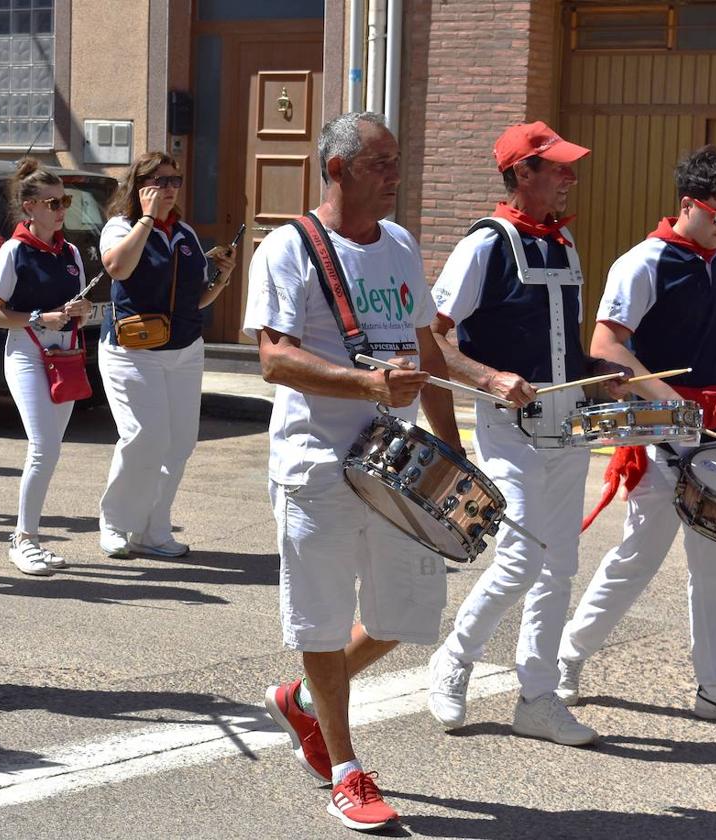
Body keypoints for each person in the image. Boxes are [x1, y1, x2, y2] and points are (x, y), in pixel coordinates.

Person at [246, 112, 462, 831]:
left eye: (396, 161)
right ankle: (345, 768)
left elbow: (429, 356)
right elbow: (275, 359)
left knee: (407, 614)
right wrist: (369, 385)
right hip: (315, 461)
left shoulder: (398, 244)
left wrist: (449, 448)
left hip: (394, 463)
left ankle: (305, 699)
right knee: (323, 616)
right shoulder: (289, 248)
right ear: (336, 170)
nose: (395, 176)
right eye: (380, 164)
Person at [556, 146, 716, 726]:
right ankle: (566, 659)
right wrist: (674, 405)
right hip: (661, 432)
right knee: (637, 557)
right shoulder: (644, 262)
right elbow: (607, 346)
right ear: (688, 205)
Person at [425, 121, 626, 746]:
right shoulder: (485, 244)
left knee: (559, 564)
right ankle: (453, 659)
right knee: (519, 558)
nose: (570, 177)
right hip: (508, 426)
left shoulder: (565, 242)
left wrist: (599, 375)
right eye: (558, 168)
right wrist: (488, 379)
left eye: (569, 167)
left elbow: (560, 346)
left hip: (566, 420)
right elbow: (430, 336)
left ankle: (536, 697)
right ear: (522, 175)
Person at [95, 152, 236, 559]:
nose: (171, 189)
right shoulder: (120, 227)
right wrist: (147, 219)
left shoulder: (186, 234)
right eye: (162, 181)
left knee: (179, 443)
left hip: (184, 350)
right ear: (141, 186)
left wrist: (222, 277)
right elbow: (117, 268)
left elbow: (197, 299)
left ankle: (153, 529)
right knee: (143, 437)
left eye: (176, 181)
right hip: (133, 350)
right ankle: (116, 523)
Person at [0, 159, 88, 575]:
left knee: (51, 450)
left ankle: (31, 537)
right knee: (43, 447)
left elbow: (75, 307)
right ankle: (23, 540)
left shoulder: (72, 251)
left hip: (64, 358)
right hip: (26, 355)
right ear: (29, 207)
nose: (62, 209)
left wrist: (79, 311)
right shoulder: (14, 250)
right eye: (53, 202)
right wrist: (41, 317)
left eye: (66, 201)